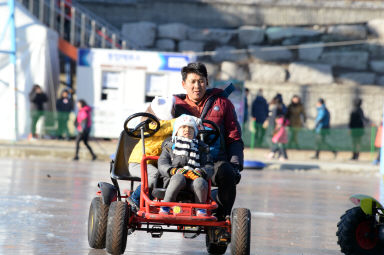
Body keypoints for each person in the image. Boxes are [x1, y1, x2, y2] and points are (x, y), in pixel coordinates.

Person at [173, 62, 243, 220]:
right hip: (182, 162)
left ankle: (221, 219)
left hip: (212, 162)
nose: (197, 86)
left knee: (227, 172)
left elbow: (234, 136)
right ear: (184, 84)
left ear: (207, 82)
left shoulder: (223, 103)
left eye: (201, 81)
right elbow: (157, 122)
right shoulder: (175, 105)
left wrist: (236, 164)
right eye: (193, 81)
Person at [158, 114, 213, 216]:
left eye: (190, 128)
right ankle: (166, 205)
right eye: (183, 127)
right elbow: (162, 163)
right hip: (173, 179)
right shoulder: (169, 146)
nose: (187, 130)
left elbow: (209, 166)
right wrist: (173, 170)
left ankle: (200, 208)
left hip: (194, 179)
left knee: (200, 182)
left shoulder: (201, 148)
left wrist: (200, 172)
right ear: (177, 131)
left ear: (195, 132)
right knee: (178, 177)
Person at [127, 96, 176, 208]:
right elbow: (163, 127)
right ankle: (135, 197)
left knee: (164, 174)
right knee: (153, 175)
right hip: (138, 163)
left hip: (151, 163)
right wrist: (180, 120)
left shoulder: (166, 129)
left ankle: (154, 199)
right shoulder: (148, 126)